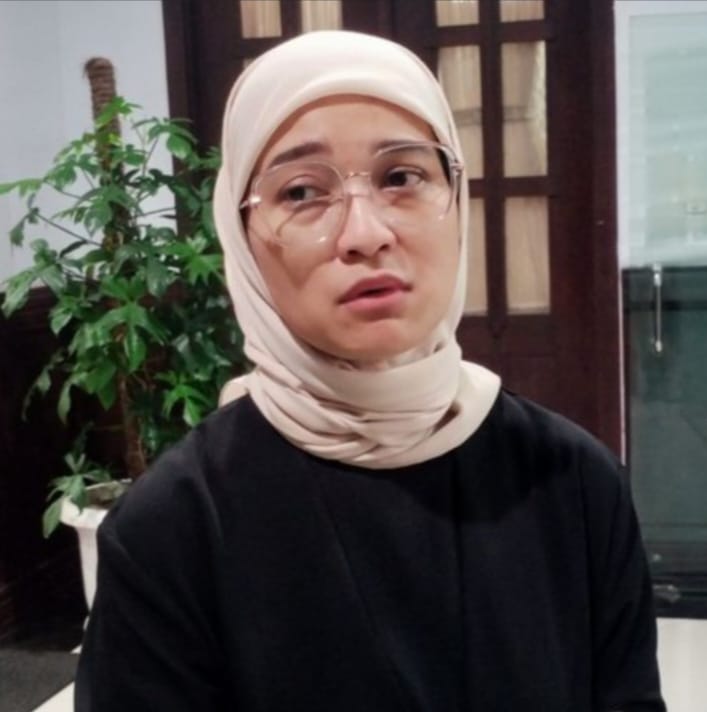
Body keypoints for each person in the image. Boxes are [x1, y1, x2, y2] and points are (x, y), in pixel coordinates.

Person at [75, 30, 665, 711]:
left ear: (456, 197)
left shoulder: (574, 482)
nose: (366, 234)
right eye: (302, 191)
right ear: (241, 238)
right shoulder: (172, 528)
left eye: (402, 177)